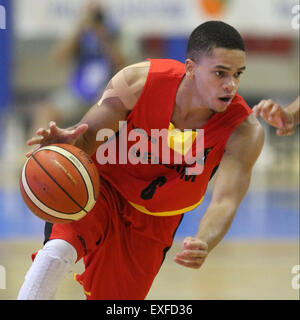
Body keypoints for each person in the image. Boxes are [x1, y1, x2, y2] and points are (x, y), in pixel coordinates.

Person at [18, 21, 264, 300]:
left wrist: (205, 241)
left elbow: (225, 200)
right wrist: (64, 147)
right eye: (220, 73)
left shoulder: (244, 130)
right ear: (191, 68)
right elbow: (86, 142)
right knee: (56, 253)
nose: (230, 84)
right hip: (102, 191)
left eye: (238, 74)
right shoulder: (138, 82)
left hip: (154, 223)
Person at [29, 1, 125, 132]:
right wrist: (79, 29)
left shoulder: (116, 32)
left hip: (105, 93)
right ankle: (38, 150)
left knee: (112, 112)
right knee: (45, 111)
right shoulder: (80, 33)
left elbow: (122, 63)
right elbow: (59, 57)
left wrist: (103, 37)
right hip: (77, 92)